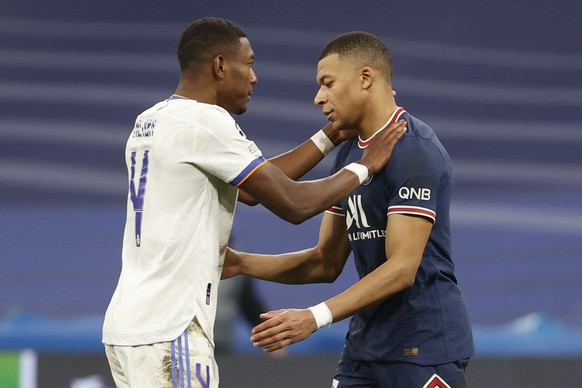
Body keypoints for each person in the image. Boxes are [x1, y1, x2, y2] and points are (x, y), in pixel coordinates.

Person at [101, 18, 407, 388]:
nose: (254, 77)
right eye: (248, 63)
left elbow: (250, 190)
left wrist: (327, 138)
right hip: (172, 327)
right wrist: (364, 166)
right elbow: (293, 204)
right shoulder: (206, 121)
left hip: (126, 327)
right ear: (219, 66)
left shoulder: (150, 120)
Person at [223, 31, 474, 387]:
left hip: (422, 344)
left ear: (366, 78)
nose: (318, 98)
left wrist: (313, 316)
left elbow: (402, 268)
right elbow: (324, 262)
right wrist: (241, 263)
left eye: (327, 83)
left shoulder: (414, 151)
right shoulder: (349, 153)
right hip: (366, 346)